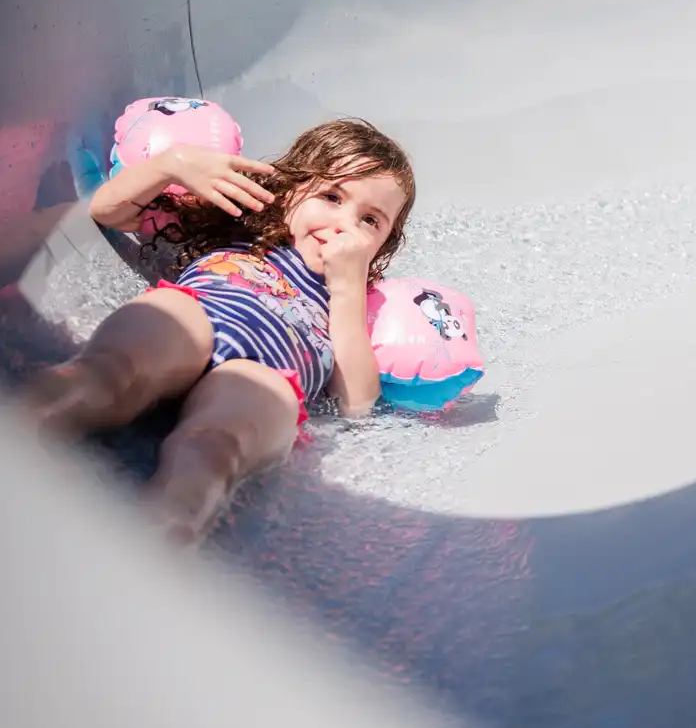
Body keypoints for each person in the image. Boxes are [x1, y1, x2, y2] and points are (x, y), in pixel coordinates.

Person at [26, 118, 415, 545]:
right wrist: (173, 165)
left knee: (216, 449)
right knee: (113, 369)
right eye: (331, 196)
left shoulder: (354, 297)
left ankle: (164, 534)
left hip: (267, 370)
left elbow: (357, 404)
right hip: (196, 314)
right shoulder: (235, 227)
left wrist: (347, 289)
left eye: (370, 220)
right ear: (289, 189)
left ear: (386, 243)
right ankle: (15, 431)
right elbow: (108, 212)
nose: (345, 223)